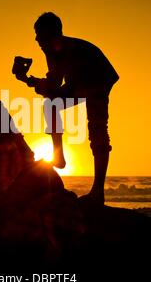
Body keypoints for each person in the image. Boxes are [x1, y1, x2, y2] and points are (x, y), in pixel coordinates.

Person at [29, 12, 119, 203]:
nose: (36, 38)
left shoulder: (67, 48)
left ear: (51, 32)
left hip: (98, 78)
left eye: (39, 33)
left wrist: (34, 82)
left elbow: (55, 85)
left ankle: (98, 192)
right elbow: (53, 84)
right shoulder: (51, 50)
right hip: (79, 83)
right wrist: (27, 79)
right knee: (51, 104)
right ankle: (58, 156)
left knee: (97, 130)